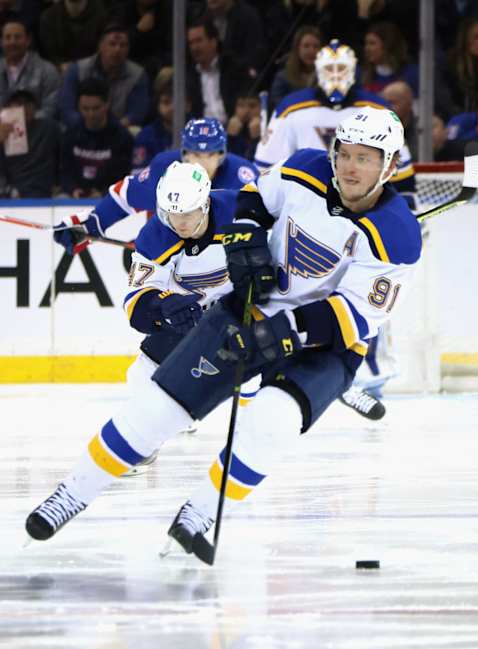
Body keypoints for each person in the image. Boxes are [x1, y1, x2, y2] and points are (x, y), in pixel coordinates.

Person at [26, 106, 422, 548]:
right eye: (345, 153)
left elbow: (356, 316)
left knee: (273, 421)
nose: (349, 166)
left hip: (326, 345)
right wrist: (248, 234)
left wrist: (288, 328)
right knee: (155, 406)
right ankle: (69, 495)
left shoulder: (398, 236)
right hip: (251, 304)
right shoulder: (304, 167)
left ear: (388, 166)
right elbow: (256, 197)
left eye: (365, 158)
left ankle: (201, 511)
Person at [53, 117, 258, 255]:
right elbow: (125, 196)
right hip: (176, 271)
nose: (201, 163)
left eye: (210, 155)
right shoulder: (165, 172)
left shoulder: (243, 177)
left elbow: (270, 220)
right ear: (184, 154)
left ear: (222, 155)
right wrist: (92, 224)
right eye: (195, 154)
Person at [254, 39, 415, 197]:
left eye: (342, 68)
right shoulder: (289, 109)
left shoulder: (378, 110)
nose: (336, 75)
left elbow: (401, 175)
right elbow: (267, 168)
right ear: (318, 71)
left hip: (362, 205)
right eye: (329, 69)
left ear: (352, 71)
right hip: (305, 203)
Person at [58, 22, 150, 129]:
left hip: (119, 130)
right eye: (112, 44)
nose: (117, 50)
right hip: (81, 127)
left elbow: (136, 114)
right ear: (100, 46)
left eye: (123, 45)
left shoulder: (138, 75)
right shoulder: (77, 70)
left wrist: (108, 130)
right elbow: (66, 109)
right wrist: (88, 126)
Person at [59, 77, 133, 199]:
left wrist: (104, 192)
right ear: (78, 106)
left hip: (110, 196)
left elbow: (124, 175)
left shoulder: (122, 137)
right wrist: (73, 189)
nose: (91, 114)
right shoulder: (70, 134)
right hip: (74, 196)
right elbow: (64, 171)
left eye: (96, 108)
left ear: (106, 105)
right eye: (85, 109)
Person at [186, 16, 254, 123]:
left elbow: (248, 102)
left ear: (213, 42)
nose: (194, 48)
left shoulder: (235, 68)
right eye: (191, 43)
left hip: (233, 131)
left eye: (199, 41)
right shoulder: (187, 76)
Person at [0, 89, 60, 197]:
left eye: (27, 103)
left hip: (41, 190)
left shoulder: (49, 128)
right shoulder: (3, 132)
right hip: (9, 192)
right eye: (18, 103)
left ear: (34, 107)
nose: (23, 108)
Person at [0, 17, 61, 119]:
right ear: (1, 42)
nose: (12, 42)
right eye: (7, 37)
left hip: (36, 130)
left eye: (17, 37)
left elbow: (51, 109)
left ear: (28, 40)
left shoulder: (47, 71)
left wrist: (20, 121)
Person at [269, 25, 323, 107]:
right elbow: (278, 104)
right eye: (306, 46)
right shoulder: (282, 77)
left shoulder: (327, 76)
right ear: (297, 48)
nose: (311, 51)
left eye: (316, 47)